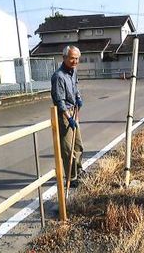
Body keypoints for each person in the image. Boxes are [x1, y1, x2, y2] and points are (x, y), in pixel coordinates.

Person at [51, 45, 85, 188]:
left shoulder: (73, 71)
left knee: (78, 145)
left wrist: (78, 97)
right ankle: (71, 177)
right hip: (64, 114)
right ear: (64, 57)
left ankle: (79, 169)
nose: (75, 61)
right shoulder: (58, 76)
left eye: (77, 58)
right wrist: (68, 117)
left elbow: (75, 87)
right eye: (72, 58)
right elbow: (59, 101)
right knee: (67, 148)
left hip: (73, 111)